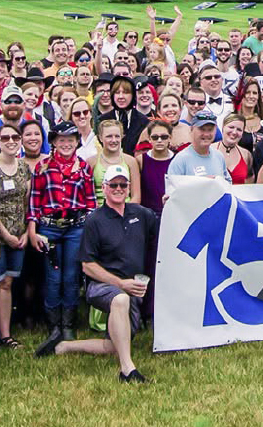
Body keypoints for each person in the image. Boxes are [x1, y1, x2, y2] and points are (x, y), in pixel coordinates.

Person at [36, 164, 157, 384]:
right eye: (114, 185)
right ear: (105, 187)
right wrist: (121, 283)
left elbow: (166, 225)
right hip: (100, 287)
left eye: (123, 185)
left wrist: (172, 201)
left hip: (132, 289)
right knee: (120, 299)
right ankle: (127, 370)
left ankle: (63, 346)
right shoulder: (94, 220)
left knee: (114, 345)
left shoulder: (141, 213)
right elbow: (87, 266)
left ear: (129, 187)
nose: (118, 189)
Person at [28, 121, 97, 350]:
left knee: (71, 276)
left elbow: (90, 203)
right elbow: (34, 201)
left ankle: (68, 323)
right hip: (49, 228)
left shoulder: (84, 168)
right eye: (61, 140)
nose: (66, 144)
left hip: (75, 228)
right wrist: (33, 229)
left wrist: (88, 227)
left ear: (77, 142)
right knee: (53, 277)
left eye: (70, 140)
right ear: (54, 143)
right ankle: (53, 324)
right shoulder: (43, 167)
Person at [0, 124, 29, 350]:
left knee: (7, 283)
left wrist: (24, 233)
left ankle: (5, 334)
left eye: (15, 137)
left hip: (19, 236)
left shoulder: (24, 167)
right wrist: (5, 235)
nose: (11, 141)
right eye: (5, 138)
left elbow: (27, 202)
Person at [167, 110, 232, 182]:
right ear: (191, 129)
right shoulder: (181, 160)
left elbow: (228, 183)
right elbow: (172, 186)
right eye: (202, 129)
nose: (206, 134)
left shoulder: (219, 156)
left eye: (210, 130)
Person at [87, 120, 141, 206]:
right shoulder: (91, 162)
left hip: (126, 209)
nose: (114, 140)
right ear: (100, 138)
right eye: (109, 136)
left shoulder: (131, 161)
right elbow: (88, 196)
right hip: (99, 210)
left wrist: (125, 211)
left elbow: (136, 197)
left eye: (117, 136)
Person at [98, 76, 149, 156]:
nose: (121, 97)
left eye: (125, 92)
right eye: (117, 92)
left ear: (133, 95)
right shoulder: (102, 120)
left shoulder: (144, 121)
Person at [136, 120, 173, 218]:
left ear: (170, 138)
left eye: (164, 137)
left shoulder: (177, 159)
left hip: (171, 213)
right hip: (146, 215)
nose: (159, 140)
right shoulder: (141, 160)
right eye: (155, 137)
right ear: (149, 139)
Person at [212, 114, 253, 185]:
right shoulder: (209, 150)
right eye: (231, 127)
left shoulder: (246, 154)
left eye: (239, 129)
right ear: (223, 127)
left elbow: (249, 181)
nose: (234, 132)